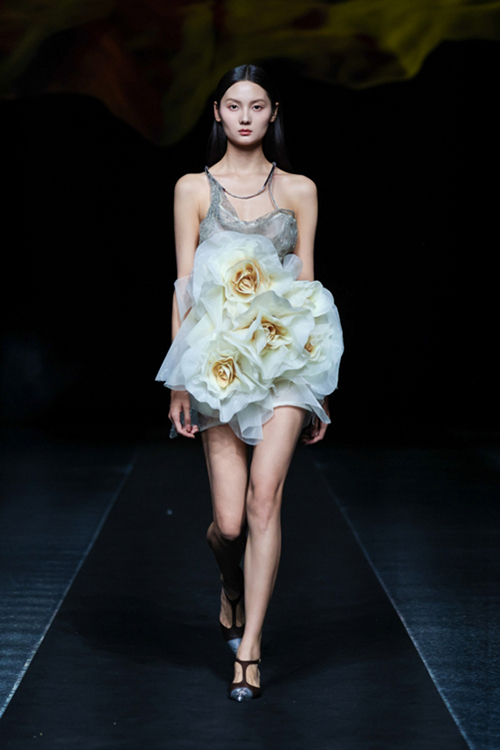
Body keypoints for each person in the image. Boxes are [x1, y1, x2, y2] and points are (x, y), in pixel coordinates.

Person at [156, 64, 343, 701]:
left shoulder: (299, 189)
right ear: (216, 112)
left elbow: (309, 289)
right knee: (230, 524)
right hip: (218, 365)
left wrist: (319, 387)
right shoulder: (193, 189)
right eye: (233, 105)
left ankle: (251, 650)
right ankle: (230, 581)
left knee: (266, 501)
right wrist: (178, 383)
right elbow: (184, 287)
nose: (244, 116)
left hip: (284, 361)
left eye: (257, 106)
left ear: (273, 113)